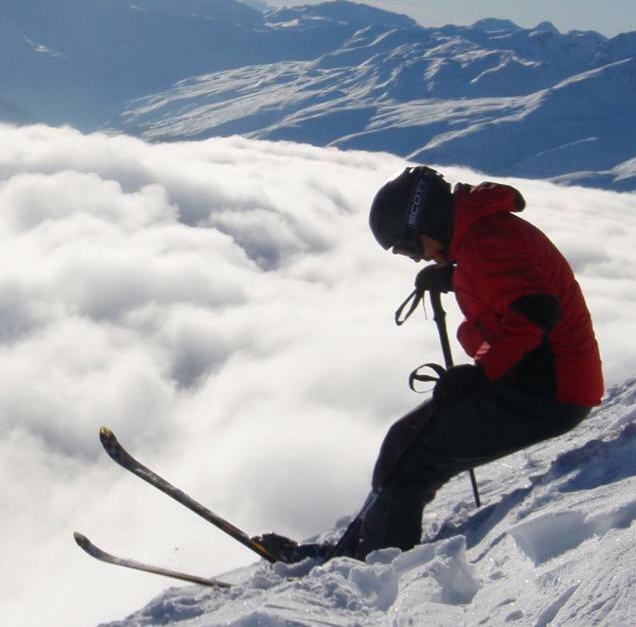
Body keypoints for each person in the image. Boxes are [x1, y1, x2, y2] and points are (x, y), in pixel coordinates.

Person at [255, 165, 604, 563]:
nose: (416, 258)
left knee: (413, 456)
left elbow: (537, 311)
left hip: (546, 391)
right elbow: (518, 289)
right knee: (406, 440)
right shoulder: (481, 236)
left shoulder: (485, 243)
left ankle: (375, 565)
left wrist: (482, 372)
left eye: (410, 248)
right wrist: (456, 278)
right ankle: (362, 551)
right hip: (543, 380)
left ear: (424, 221)